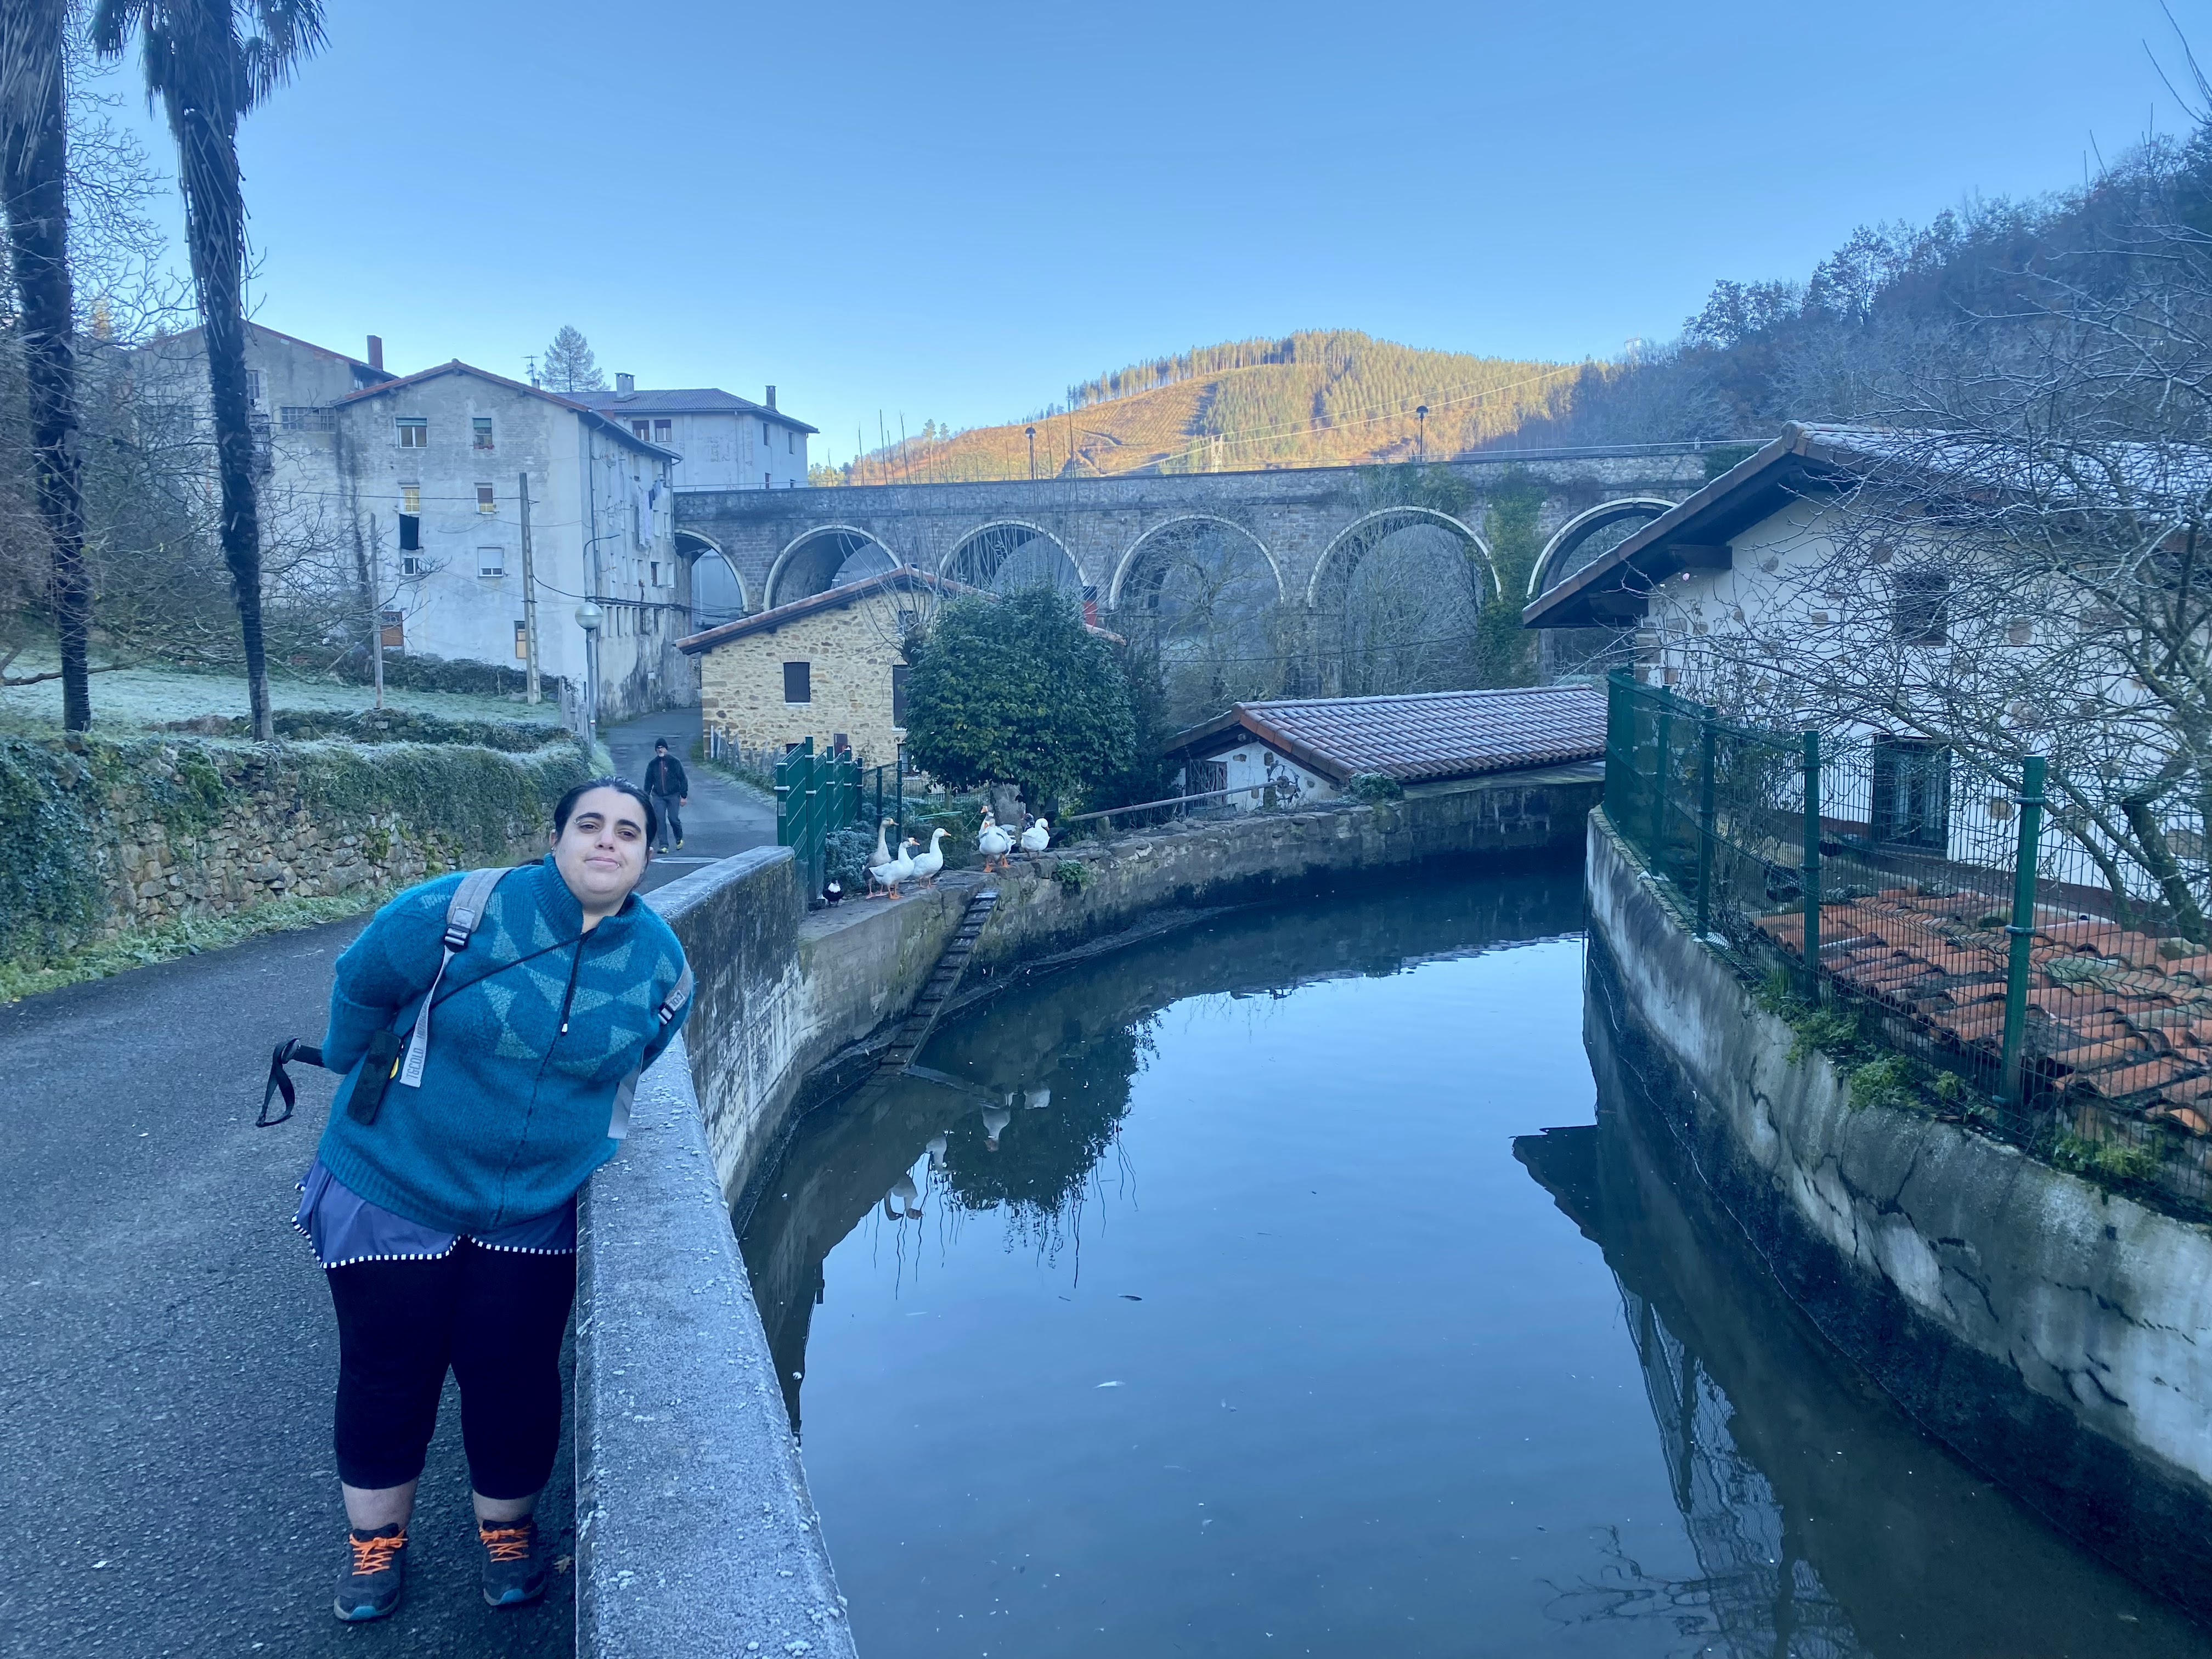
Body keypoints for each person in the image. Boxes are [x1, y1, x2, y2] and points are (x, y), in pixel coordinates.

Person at [298, 779, 690, 1622]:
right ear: (556, 838)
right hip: (395, 1178)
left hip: (533, 1206)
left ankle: (508, 1534)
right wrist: (345, 1061)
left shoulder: (662, 964)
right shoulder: (457, 909)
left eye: (629, 832)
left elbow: (640, 1056)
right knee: (387, 1370)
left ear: (648, 856)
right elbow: (361, 983)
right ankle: (375, 1545)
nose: (608, 841)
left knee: (512, 1373)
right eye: (590, 824)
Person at [644, 739, 689, 852]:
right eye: (658, 748)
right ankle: (664, 845)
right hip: (658, 796)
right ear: (656, 750)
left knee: (673, 819)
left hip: (673, 795)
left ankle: (679, 838)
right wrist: (645, 797)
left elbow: (683, 779)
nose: (660, 750)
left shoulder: (675, 762)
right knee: (660, 820)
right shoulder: (653, 764)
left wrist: (683, 796)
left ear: (666, 749)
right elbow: (648, 782)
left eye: (662, 748)